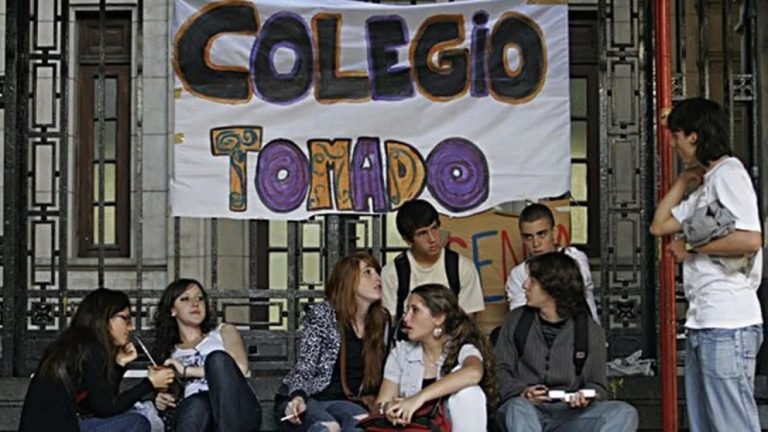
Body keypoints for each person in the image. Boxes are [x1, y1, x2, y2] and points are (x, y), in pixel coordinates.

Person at [650, 97, 763, 431]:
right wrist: (683, 181)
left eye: (676, 136)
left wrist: (691, 245)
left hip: (728, 320)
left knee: (731, 423)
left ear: (694, 136)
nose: (673, 144)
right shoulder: (708, 183)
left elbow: (751, 239)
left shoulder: (730, 174)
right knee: (707, 423)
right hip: (706, 321)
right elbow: (659, 225)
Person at [495, 252, 638, 431]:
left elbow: (598, 385)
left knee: (623, 412)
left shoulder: (589, 330)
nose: (525, 285)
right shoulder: (516, 320)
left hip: (569, 415)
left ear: (552, 288)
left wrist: (585, 397)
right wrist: (523, 392)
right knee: (518, 408)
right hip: (526, 409)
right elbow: (499, 371)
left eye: (533, 281)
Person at [18, 288, 175, 432]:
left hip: (65, 424)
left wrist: (119, 365)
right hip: (60, 426)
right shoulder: (90, 349)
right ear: (104, 319)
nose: (130, 327)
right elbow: (106, 408)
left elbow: (98, 403)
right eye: (125, 319)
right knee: (136, 423)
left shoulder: (76, 345)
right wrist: (149, 384)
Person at [282, 253, 391, 432]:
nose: (377, 278)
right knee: (329, 428)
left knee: (361, 423)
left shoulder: (382, 321)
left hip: (349, 402)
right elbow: (305, 367)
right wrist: (298, 397)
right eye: (367, 272)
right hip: (312, 398)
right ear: (348, 280)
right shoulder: (323, 315)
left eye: (377, 272)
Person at [375, 284, 497, 430]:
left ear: (439, 318)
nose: (406, 318)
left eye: (415, 310)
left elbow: (474, 372)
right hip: (414, 428)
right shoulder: (401, 353)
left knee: (469, 392)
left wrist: (418, 399)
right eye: (406, 311)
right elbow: (380, 403)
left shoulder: (462, 349)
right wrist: (388, 408)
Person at [152, 278, 262, 432]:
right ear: (172, 310)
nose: (195, 303)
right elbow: (170, 393)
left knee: (217, 359)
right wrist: (161, 399)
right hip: (199, 411)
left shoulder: (223, 331)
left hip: (238, 408)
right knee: (196, 404)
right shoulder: (170, 352)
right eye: (185, 299)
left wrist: (186, 371)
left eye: (200, 298)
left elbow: (240, 368)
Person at [381, 199, 485, 323]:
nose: (432, 239)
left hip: (451, 334)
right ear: (407, 240)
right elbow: (390, 323)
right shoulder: (392, 273)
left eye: (434, 228)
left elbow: (467, 324)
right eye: (422, 234)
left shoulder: (462, 268)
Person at [505, 203, 599, 322]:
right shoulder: (518, 274)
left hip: (583, 331)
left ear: (554, 232)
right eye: (528, 237)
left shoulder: (574, 258)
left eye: (542, 234)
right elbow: (519, 317)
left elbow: (572, 289)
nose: (536, 243)